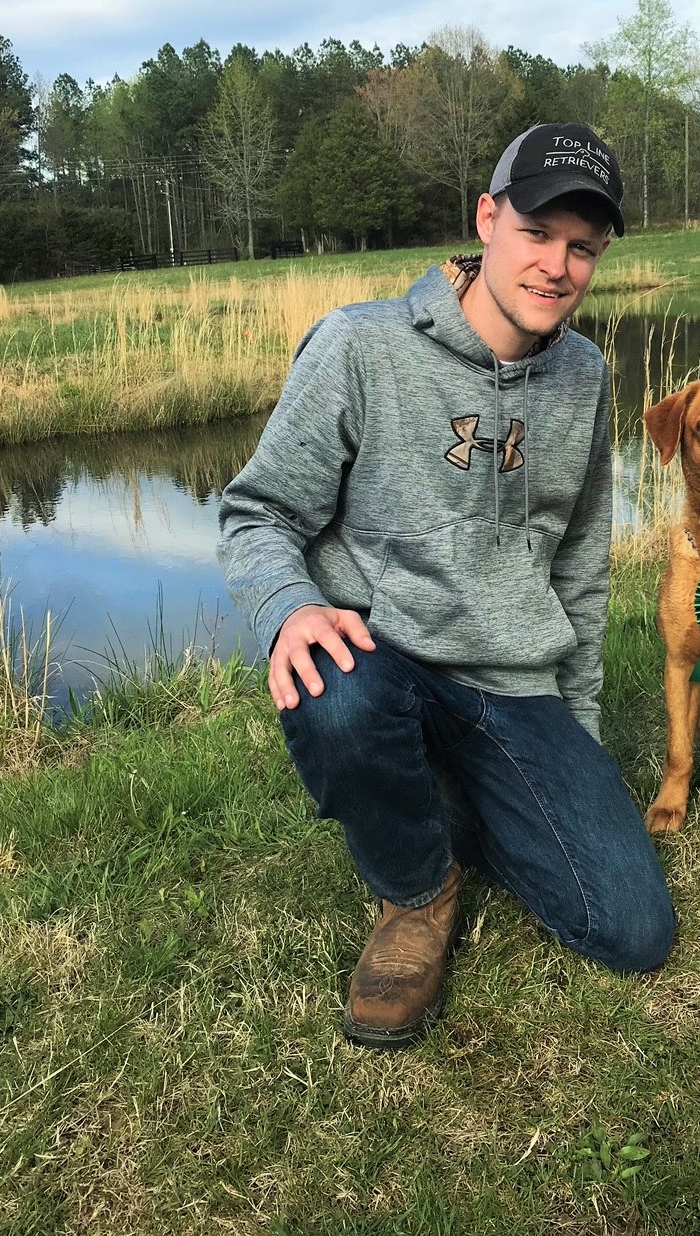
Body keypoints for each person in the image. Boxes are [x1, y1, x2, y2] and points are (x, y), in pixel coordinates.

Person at [218, 123, 676, 1048]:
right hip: (385, 660)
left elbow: (582, 569)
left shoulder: (584, 375)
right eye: (537, 233)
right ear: (487, 218)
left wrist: (577, 743)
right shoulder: (360, 346)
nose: (556, 266)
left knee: (631, 930)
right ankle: (416, 893)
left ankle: (449, 793)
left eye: (582, 247)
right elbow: (257, 512)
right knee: (335, 690)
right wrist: (289, 609)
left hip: (513, 684)